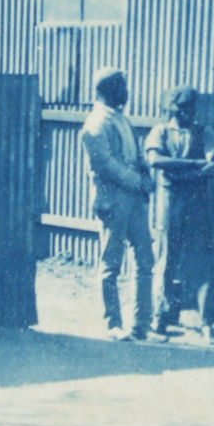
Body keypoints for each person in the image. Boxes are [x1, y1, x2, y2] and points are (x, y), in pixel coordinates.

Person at [79, 67, 155, 341]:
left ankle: (142, 324)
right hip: (113, 198)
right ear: (108, 89)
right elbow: (106, 165)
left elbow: (136, 152)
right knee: (111, 262)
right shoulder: (96, 123)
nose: (126, 91)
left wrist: (146, 175)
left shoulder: (121, 118)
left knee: (145, 259)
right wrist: (137, 181)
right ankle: (113, 323)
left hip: (134, 198)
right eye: (122, 86)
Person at [143, 86, 214, 339]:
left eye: (190, 108)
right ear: (171, 109)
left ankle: (207, 320)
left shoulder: (204, 131)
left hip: (197, 203)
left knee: (201, 261)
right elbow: (155, 161)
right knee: (166, 259)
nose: (187, 113)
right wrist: (195, 166)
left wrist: (181, 171)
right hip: (170, 203)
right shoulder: (161, 131)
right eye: (181, 109)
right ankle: (160, 317)